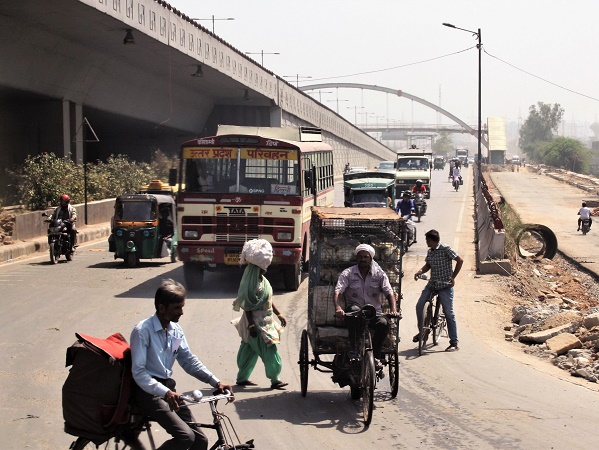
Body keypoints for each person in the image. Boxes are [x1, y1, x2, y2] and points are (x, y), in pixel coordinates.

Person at [130, 279, 234, 450]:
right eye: (177, 308)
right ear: (162, 308)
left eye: (182, 307)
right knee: (185, 437)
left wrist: (216, 382)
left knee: (201, 442)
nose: (182, 312)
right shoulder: (143, 331)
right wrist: (165, 392)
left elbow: (187, 360)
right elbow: (139, 372)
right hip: (148, 393)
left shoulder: (175, 331)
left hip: (168, 389)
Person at [232, 239, 288, 389]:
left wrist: (279, 314)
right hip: (256, 325)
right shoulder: (250, 286)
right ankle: (275, 379)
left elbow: (268, 300)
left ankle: (242, 378)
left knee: (249, 349)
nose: (266, 270)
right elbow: (248, 307)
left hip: (266, 321)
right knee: (270, 349)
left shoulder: (263, 281)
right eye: (263, 268)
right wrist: (251, 325)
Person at [333, 244, 398, 370]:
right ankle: (354, 349)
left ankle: (376, 356)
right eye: (360, 257)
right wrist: (338, 308)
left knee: (384, 323)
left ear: (371, 258)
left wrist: (393, 310)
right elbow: (338, 291)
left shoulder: (379, 274)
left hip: (374, 313)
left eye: (366, 257)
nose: (363, 259)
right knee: (354, 310)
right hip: (355, 313)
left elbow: (389, 292)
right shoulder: (348, 273)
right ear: (356, 258)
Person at [413, 230, 464, 352]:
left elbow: (460, 260)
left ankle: (454, 342)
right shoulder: (430, 251)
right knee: (420, 305)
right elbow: (428, 265)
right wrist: (420, 271)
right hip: (432, 284)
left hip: (445, 285)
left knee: (449, 313)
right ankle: (422, 332)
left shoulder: (445, 248)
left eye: (427, 240)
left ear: (433, 240)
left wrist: (453, 277)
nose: (426, 242)